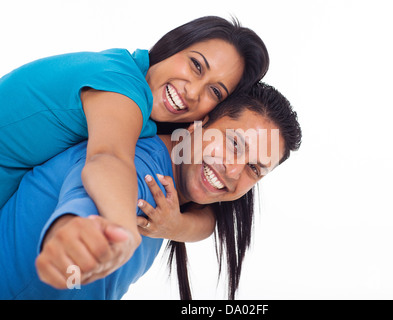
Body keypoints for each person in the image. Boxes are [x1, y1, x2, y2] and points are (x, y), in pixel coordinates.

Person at [0, 83, 301, 300]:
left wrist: (179, 225)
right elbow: (96, 194)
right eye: (234, 144)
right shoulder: (142, 167)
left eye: (254, 169)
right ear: (200, 124)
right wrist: (78, 230)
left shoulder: (173, 206)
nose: (233, 171)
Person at [0, 16, 269, 250]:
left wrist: (177, 226)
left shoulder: (152, 115)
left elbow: (208, 216)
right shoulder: (122, 89)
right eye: (196, 65)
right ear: (173, 44)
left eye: (215, 91)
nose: (193, 91)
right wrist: (121, 230)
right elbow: (108, 158)